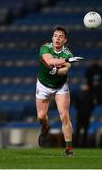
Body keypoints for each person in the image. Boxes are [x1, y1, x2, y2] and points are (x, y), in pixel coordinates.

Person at [36, 25, 83, 156]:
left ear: (65, 40)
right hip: (43, 85)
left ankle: (69, 149)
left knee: (64, 116)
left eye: (61, 36)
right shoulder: (45, 48)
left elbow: (64, 71)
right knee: (41, 117)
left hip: (60, 86)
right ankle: (45, 128)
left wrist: (58, 70)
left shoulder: (68, 53)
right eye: (55, 35)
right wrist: (66, 61)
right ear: (52, 37)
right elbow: (49, 61)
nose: (57, 38)